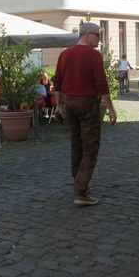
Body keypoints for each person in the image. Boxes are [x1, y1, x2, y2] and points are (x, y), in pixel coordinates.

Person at [53, 22, 117, 206]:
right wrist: (110, 107)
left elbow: (57, 80)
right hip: (87, 103)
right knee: (90, 147)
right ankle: (80, 191)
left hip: (69, 103)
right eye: (98, 35)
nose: (99, 40)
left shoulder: (65, 53)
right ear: (88, 35)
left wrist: (59, 105)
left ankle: (80, 183)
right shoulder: (93, 55)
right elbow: (101, 83)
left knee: (76, 144)